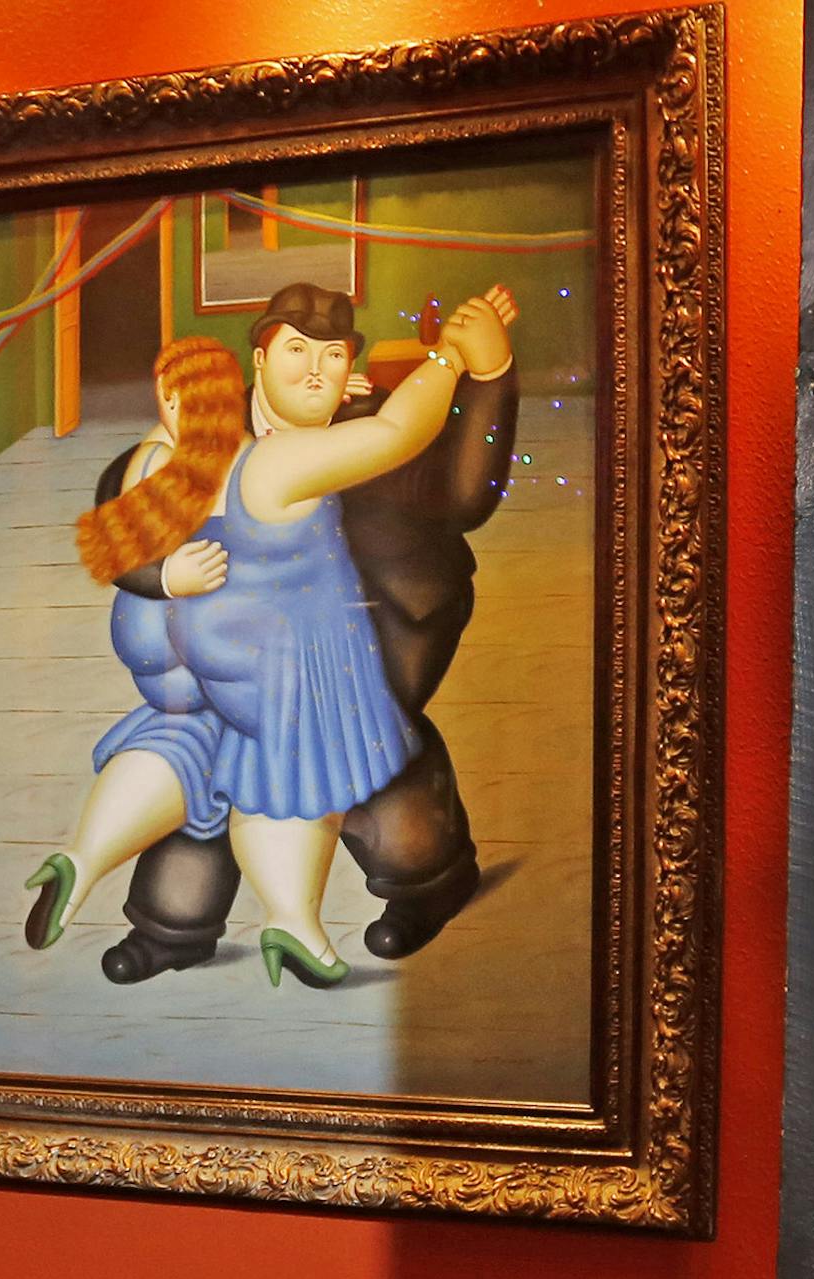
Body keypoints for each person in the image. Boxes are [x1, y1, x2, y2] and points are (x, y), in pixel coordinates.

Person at [25, 292, 505, 988]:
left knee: (241, 766)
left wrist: (484, 374)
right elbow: (400, 429)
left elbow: (461, 490)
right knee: (285, 777)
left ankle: (111, 872)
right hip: (274, 674)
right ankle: (251, 923)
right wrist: (450, 359)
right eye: (297, 352)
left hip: (287, 662)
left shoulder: (179, 449)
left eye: (334, 356)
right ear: (258, 361)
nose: (316, 373)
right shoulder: (253, 462)